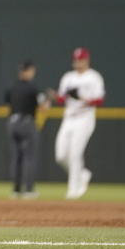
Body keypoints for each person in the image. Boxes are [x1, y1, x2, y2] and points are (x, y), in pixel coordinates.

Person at [51, 47, 105, 199]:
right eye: (75, 60)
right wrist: (56, 96)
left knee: (75, 154)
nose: (77, 62)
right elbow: (62, 99)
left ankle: (73, 191)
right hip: (69, 117)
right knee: (60, 156)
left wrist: (83, 98)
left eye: (80, 59)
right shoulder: (68, 77)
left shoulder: (94, 77)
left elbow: (100, 100)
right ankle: (82, 174)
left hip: (85, 118)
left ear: (87, 60)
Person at [4, 60, 50, 199]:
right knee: (29, 157)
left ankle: (16, 190)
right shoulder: (33, 88)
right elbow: (44, 106)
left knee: (16, 157)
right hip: (27, 122)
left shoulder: (11, 87)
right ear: (29, 71)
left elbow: (8, 103)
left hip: (12, 123)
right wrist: (48, 99)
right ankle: (29, 190)